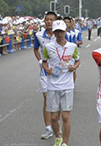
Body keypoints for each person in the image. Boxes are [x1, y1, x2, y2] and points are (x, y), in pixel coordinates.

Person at [42, 20, 80, 146]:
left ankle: (65, 142)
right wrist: (47, 69)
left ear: (66, 31)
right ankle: (58, 136)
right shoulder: (48, 47)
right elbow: (44, 61)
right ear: (53, 32)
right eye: (57, 32)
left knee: (65, 117)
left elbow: (77, 61)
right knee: (54, 117)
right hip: (52, 85)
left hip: (68, 85)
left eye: (61, 31)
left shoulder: (72, 47)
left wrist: (74, 67)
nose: (59, 34)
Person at [34, 11, 57, 140]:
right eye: (47, 20)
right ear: (44, 21)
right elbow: (35, 49)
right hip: (44, 71)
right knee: (47, 99)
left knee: (56, 99)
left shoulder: (60, 35)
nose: (49, 22)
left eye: (51, 20)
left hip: (58, 72)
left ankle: (56, 124)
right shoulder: (38, 35)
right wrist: (40, 61)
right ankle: (48, 128)